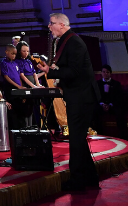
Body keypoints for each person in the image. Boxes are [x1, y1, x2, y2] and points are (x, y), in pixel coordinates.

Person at [37, 13, 101, 191]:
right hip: (78, 97)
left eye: (51, 24)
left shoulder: (73, 42)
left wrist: (51, 71)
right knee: (78, 139)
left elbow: (74, 72)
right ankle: (90, 179)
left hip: (82, 98)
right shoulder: (67, 41)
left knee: (76, 140)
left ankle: (78, 181)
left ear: (62, 25)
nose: (49, 27)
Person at [0, 44, 30, 129]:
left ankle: (23, 130)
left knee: (21, 110)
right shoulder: (4, 63)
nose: (14, 55)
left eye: (15, 54)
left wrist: (21, 88)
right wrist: (18, 86)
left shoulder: (16, 63)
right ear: (6, 52)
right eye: (12, 53)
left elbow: (19, 76)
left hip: (18, 89)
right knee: (13, 112)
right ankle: (14, 131)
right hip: (9, 89)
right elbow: (6, 77)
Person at [94, 65, 128, 140]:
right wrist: (102, 104)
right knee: (93, 112)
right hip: (101, 105)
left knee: (121, 112)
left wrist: (110, 105)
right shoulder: (97, 84)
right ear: (101, 73)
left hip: (113, 106)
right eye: (104, 72)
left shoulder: (116, 84)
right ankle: (99, 135)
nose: (105, 74)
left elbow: (119, 98)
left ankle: (123, 137)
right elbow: (95, 97)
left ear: (110, 73)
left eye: (107, 72)